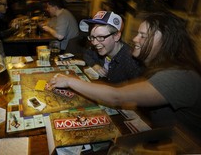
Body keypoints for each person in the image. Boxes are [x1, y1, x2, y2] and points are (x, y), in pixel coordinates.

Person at [49, 10, 201, 144]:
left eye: (143, 36)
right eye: (137, 34)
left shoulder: (180, 76)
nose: (135, 39)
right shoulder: (160, 67)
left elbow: (117, 96)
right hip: (165, 138)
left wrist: (69, 80)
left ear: (165, 42)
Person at [80, 11, 143, 83]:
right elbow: (86, 54)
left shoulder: (131, 62)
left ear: (116, 36)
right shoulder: (100, 48)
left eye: (100, 37)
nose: (94, 43)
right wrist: (95, 65)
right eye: (92, 37)